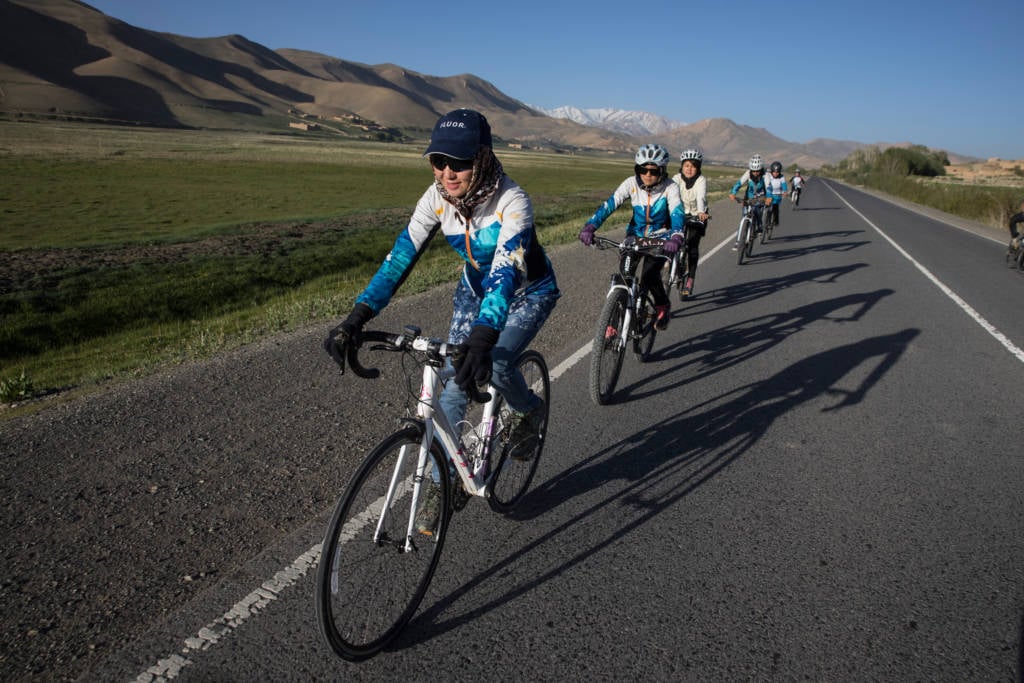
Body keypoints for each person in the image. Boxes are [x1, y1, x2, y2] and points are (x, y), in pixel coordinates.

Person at [325, 109, 560, 528]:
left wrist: (485, 337)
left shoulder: (512, 201)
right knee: (451, 383)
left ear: (483, 158)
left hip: (526, 292)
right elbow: (399, 259)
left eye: (461, 162)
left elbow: (506, 272)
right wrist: (357, 316)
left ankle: (527, 411)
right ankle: (442, 479)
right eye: (439, 161)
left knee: (498, 361)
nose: (448, 172)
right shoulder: (436, 199)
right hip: (473, 293)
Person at [579, 144, 685, 330]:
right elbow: (609, 205)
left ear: (662, 170)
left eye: (653, 170)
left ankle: (662, 306)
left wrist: (676, 236)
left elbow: (677, 212)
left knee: (649, 276)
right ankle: (611, 324)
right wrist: (590, 226)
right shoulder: (631, 184)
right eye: (642, 169)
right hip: (634, 237)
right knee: (624, 277)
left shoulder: (671, 188)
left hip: (661, 238)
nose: (647, 174)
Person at [671, 148, 710, 297]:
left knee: (692, 246)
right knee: (669, 236)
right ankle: (670, 262)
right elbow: (670, 195)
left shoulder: (701, 180)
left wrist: (701, 212)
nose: (689, 169)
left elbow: (700, 197)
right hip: (680, 214)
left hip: (697, 215)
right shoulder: (676, 178)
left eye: (693, 166)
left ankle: (690, 279)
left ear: (698, 167)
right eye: (687, 165)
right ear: (682, 165)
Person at [728, 154, 770, 249]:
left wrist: (769, 197)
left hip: (761, 198)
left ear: (760, 169)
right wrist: (733, 192)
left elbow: (768, 187)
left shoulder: (765, 175)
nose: (755, 172)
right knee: (744, 217)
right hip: (749, 198)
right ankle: (738, 241)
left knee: (758, 212)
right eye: (753, 170)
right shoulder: (748, 173)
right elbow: (739, 183)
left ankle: (759, 227)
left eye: (757, 171)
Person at [764, 161, 788, 229]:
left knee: (775, 208)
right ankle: (766, 221)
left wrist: (785, 191)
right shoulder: (768, 175)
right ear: (772, 171)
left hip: (777, 195)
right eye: (774, 172)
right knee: (767, 208)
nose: (775, 173)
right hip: (769, 193)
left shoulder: (781, 177)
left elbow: (784, 185)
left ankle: (776, 221)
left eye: (777, 172)